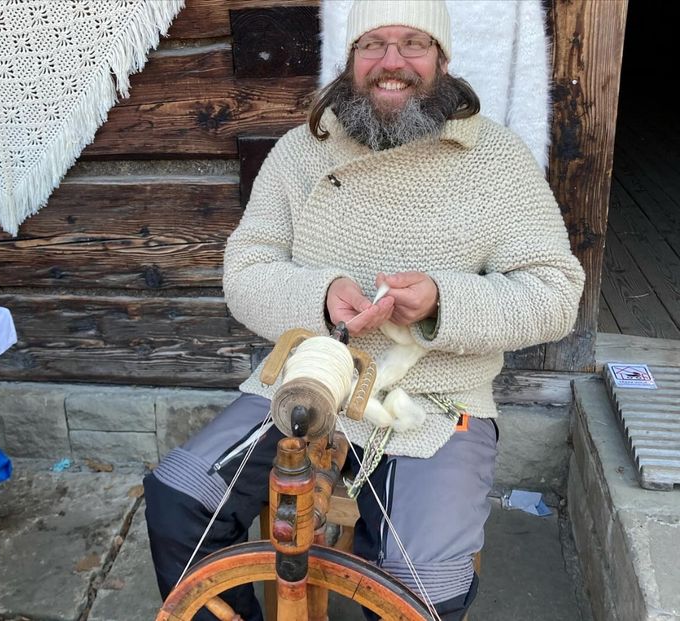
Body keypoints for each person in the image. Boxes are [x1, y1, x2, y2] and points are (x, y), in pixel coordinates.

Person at [143, 1, 585, 619]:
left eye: (413, 44)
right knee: (178, 498)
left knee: (424, 589)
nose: (391, 62)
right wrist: (320, 297)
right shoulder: (302, 152)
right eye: (372, 44)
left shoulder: (496, 159)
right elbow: (244, 273)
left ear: (442, 59)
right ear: (350, 60)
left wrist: (441, 302)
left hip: (435, 400)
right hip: (310, 379)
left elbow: (555, 292)